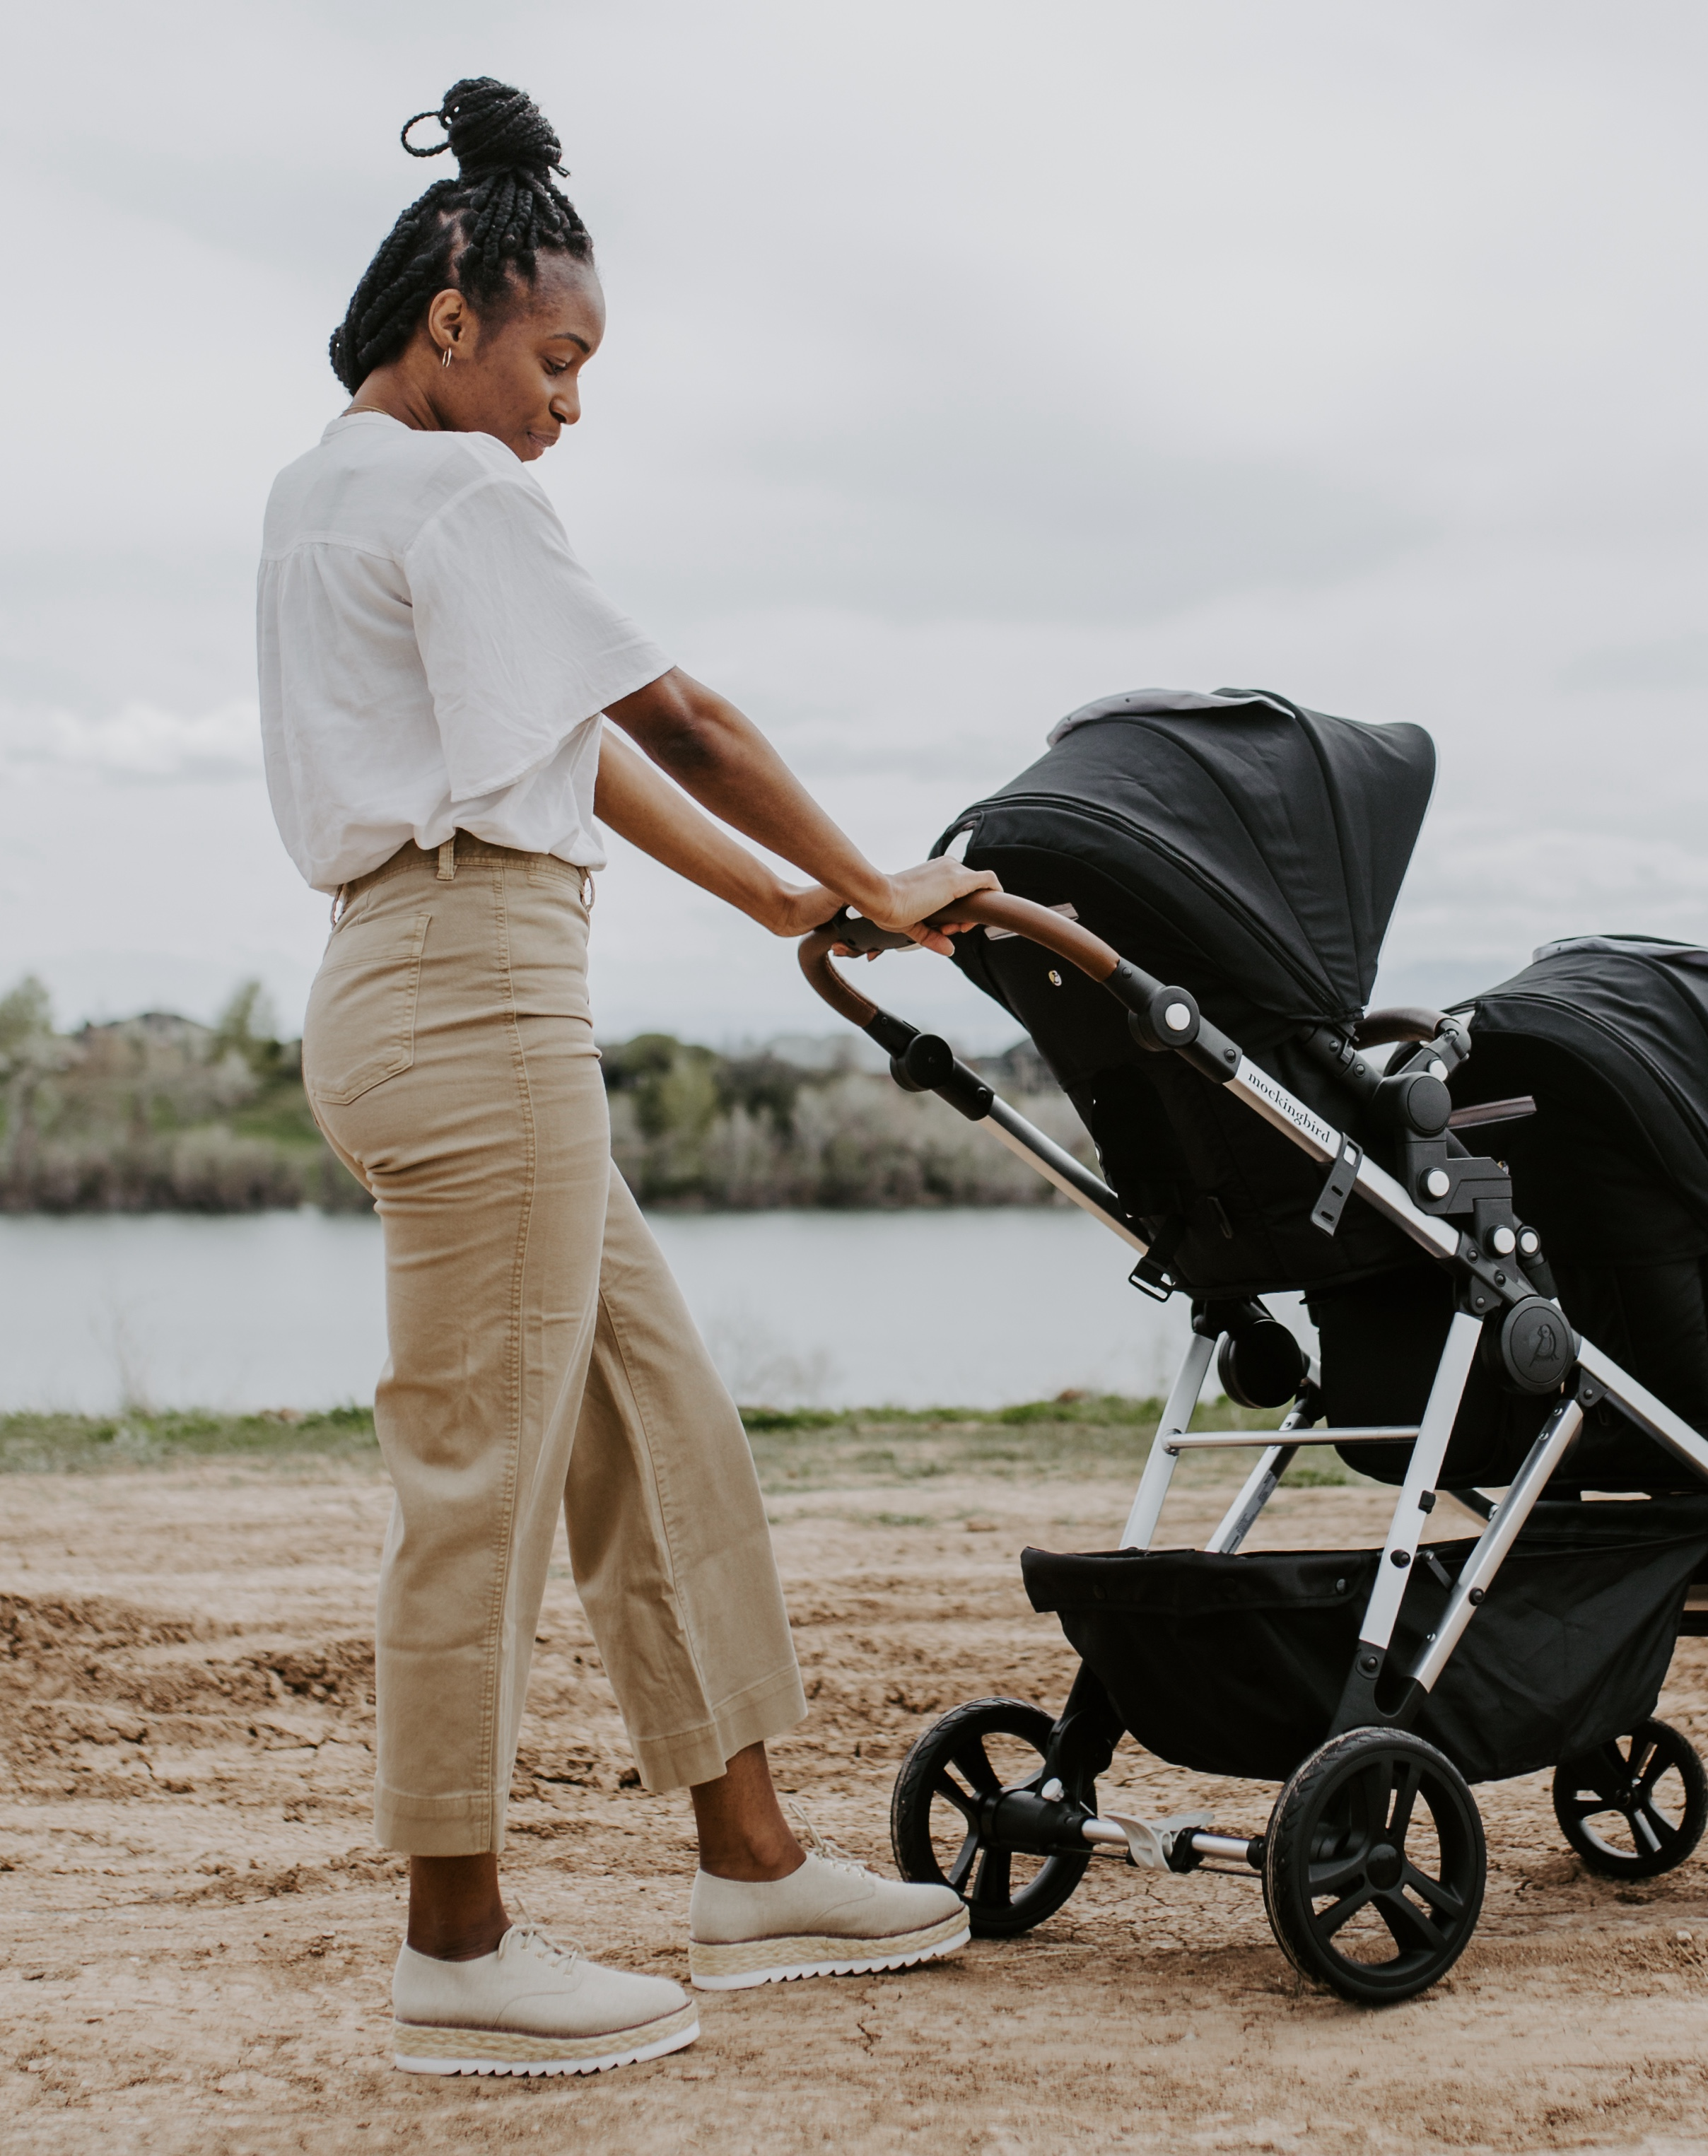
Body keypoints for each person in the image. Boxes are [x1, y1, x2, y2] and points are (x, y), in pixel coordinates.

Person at [256, 76, 995, 2078]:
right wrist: (877, 888)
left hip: (416, 988)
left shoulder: (322, 492)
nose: (570, 404)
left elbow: (564, 746)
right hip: (479, 998)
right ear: (453, 314)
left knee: (649, 1415)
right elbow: (675, 707)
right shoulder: (464, 493)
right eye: (558, 359)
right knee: (484, 1475)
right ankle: (459, 1945)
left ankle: (751, 1862)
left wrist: (776, 905)